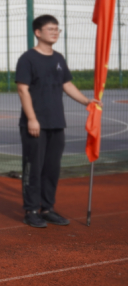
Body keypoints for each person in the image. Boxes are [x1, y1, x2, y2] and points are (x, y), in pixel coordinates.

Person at [16, 15, 96, 228]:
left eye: (57, 29)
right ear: (38, 32)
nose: (55, 32)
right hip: (35, 124)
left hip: (56, 123)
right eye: (50, 29)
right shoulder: (27, 58)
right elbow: (23, 90)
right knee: (34, 168)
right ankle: (31, 210)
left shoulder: (58, 58)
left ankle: (47, 208)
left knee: (52, 168)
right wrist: (32, 119)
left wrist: (87, 101)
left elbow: (67, 84)